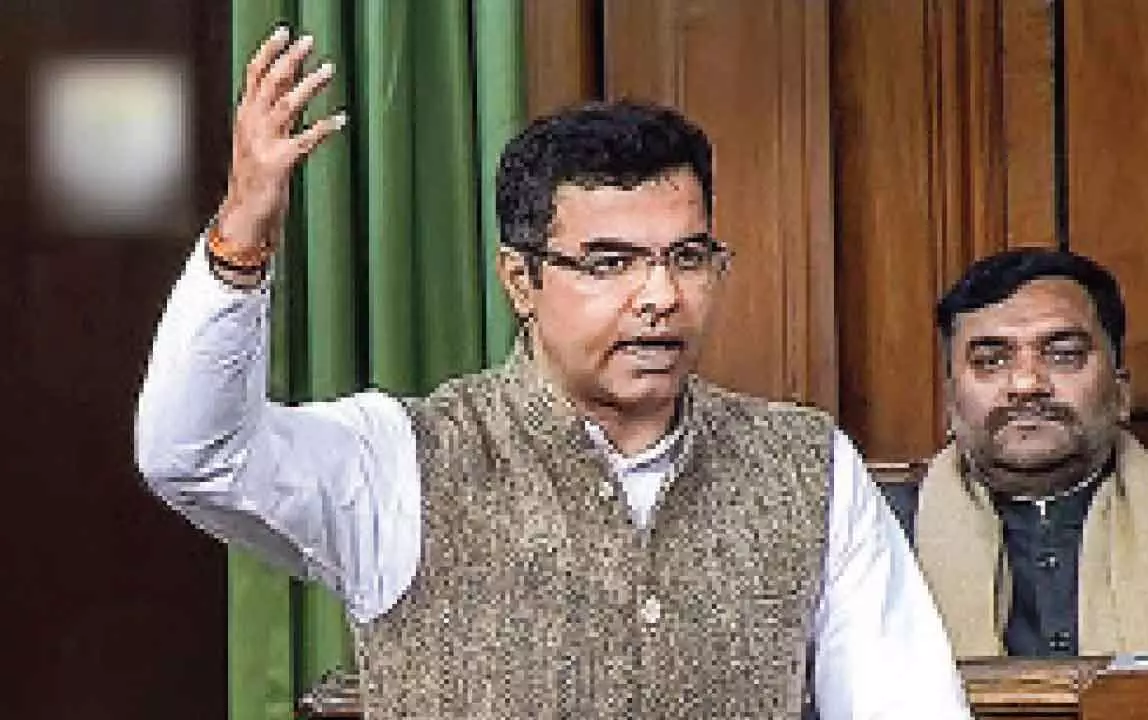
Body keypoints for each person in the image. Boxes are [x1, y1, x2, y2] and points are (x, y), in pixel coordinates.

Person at [134, 27, 971, 719]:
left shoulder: (805, 466)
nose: (661, 296)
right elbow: (192, 455)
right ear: (520, 280)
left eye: (688, 257)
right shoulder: (402, 461)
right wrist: (241, 237)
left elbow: (905, 701)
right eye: (609, 263)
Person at [879, 248, 1148, 658]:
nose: (1026, 384)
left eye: (1063, 355)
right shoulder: (876, 535)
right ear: (950, 403)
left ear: (1121, 392)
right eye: (991, 360)